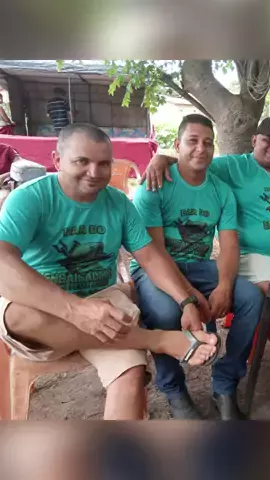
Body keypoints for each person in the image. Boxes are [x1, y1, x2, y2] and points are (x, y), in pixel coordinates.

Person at [0, 123, 219, 421]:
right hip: (47, 314)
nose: (94, 172)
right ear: (57, 160)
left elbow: (149, 256)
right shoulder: (30, 198)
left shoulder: (118, 202)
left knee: (130, 375)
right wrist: (76, 310)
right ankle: (158, 340)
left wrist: (187, 300)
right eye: (82, 161)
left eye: (104, 163)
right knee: (19, 316)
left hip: (104, 307)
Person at [142, 116, 270, 406]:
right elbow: (193, 161)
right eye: (267, 139)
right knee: (268, 294)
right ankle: (175, 390)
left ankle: (231, 378)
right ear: (254, 140)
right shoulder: (228, 167)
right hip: (246, 256)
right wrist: (160, 159)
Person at [131, 114, 263, 420]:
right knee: (165, 312)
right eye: (192, 141)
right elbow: (154, 253)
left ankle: (225, 383)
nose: (201, 149)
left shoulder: (221, 191)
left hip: (200, 266)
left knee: (252, 298)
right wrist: (190, 296)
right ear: (177, 145)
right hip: (155, 268)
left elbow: (229, 245)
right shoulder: (155, 185)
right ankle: (174, 389)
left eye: (208, 143)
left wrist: (224, 287)